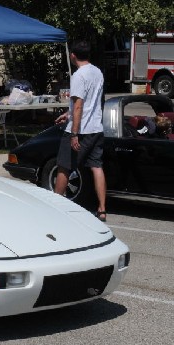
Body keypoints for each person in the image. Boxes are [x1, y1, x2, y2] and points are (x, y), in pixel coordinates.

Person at [54, 40, 107, 221]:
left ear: (73, 55)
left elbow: (79, 105)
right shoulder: (97, 72)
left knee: (64, 167)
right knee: (97, 167)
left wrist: (74, 133)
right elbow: (90, 102)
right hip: (96, 128)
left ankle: (56, 206)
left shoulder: (78, 75)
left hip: (80, 130)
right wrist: (68, 113)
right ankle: (102, 209)